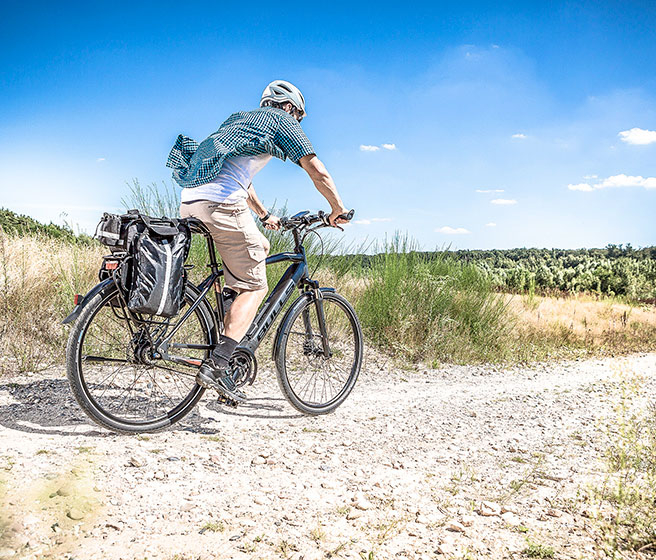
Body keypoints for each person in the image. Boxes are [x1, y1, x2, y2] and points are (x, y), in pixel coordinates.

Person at [166, 80, 350, 403]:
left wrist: (264, 216)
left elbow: (240, 177)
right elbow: (317, 170)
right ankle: (219, 364)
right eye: (300, 117)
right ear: (290, 108)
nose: (298, 122)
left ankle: (228, 329)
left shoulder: (241, 119)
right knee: (256, 286)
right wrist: (338, 209)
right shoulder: (281, 122)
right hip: (220, 201)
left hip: (192, 199)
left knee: (261, 248)